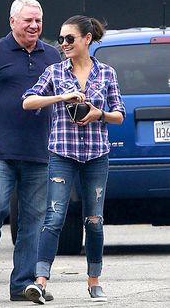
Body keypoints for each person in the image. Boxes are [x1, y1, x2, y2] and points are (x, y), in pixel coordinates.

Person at [22, 15, 126, 304]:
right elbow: (27, 101)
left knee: (94, 220)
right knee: (54, 217)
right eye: (61, 39)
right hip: (62, 154)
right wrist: (61, 97)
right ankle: (40, 282)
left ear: (87, 39)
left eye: (70, 39)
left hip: (96, 155)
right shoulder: (55, 73)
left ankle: (94, 282)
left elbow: (119, 114)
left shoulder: (106, 73)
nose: (64, 44)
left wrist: (98, 114)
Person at [0, 0, 61, 302]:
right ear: (12, 22)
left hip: (40, 153)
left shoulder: (53, 56)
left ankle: (22, 284)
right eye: (28, 20)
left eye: (39, 21)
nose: (34, 26)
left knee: (33, 220)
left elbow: (63, 98)